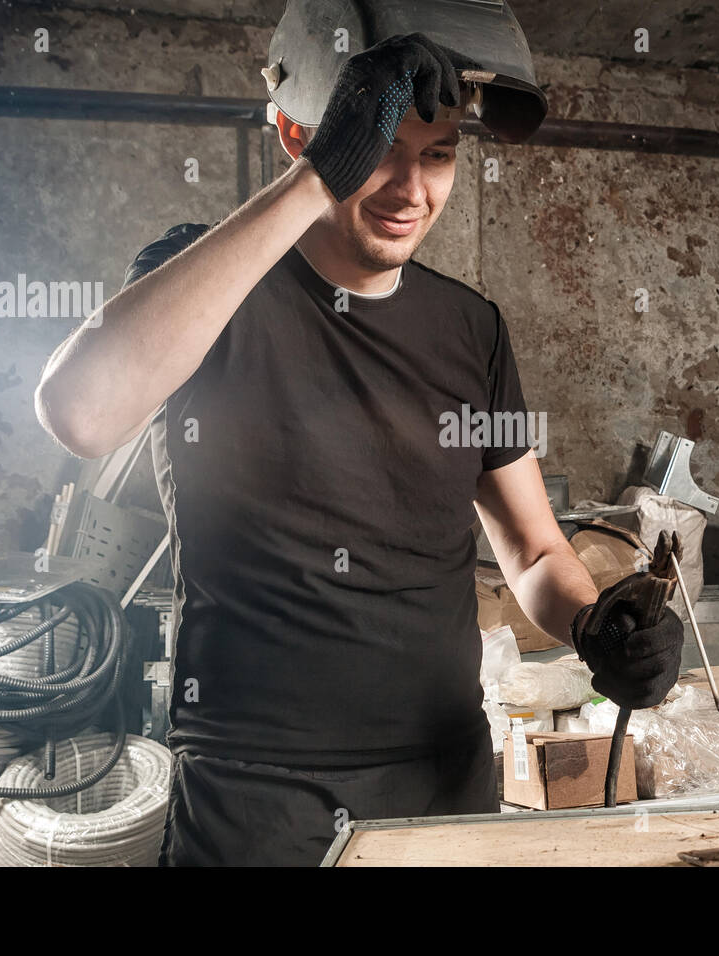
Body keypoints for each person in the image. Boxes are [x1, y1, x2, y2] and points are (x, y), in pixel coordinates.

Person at [35, 30, 683, 866]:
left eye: (440, 154)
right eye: (380, 151)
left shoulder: (471, 329)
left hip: (442, 782)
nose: (412, 188)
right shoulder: (208, 283)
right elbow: (78, 414)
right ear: (300, 136)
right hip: (256, 796)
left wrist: (595, 624)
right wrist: (315, 183)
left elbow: (530, 546)